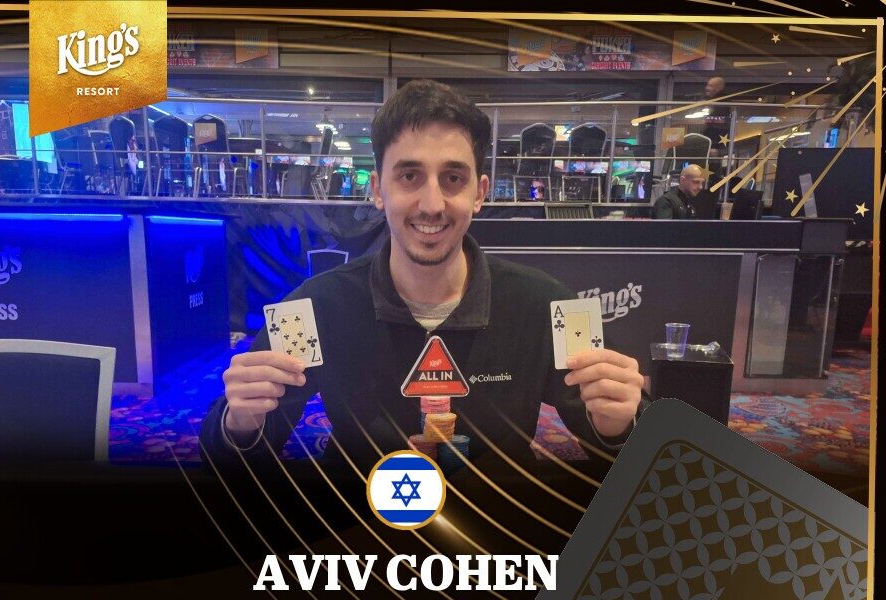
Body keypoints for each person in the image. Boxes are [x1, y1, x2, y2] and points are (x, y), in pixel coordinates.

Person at [200, 80, 645, 480]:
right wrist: (239, 423)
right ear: (378, 190)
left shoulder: (552, 306)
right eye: (410, 176)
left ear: (479, 193)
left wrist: (620, 426)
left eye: (453, 178)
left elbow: (626, 460)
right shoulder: (311, 308)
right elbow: (230, 460)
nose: (432, 204)